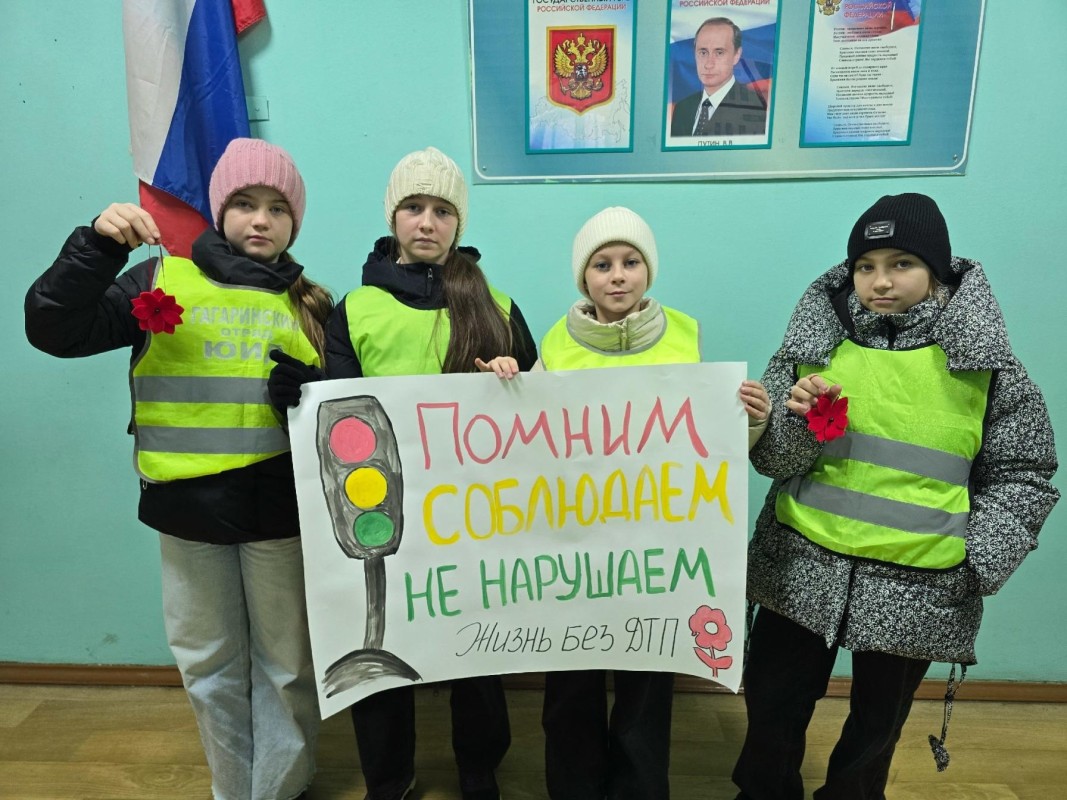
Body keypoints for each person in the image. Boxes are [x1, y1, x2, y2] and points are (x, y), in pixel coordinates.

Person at [24, 138, 333, 800]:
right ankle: (234, 789)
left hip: (281, 514)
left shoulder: (313, 302)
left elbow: (343, 418)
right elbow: (54, 329)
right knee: (209, 664)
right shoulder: (159, 279)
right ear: (218, 211)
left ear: (295, 221)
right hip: (187, 513)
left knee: (287, 665)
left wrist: (312, 393)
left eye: (277, 208)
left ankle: (280, 789)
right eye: (244, 203)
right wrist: (96, 247)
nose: (260, 219)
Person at [731, 193, 1060, 800]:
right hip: (799, 566)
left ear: (938, 271)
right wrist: (790, 424)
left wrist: (978, 560)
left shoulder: (989, 367)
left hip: (920, 584)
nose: (880, 281)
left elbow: (1024, 471)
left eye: (901, 263)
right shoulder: (811, 345)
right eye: (866, 266)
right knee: (773, 707)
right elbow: (774, 461)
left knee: (876, 727)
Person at [269, 146, 535, 800]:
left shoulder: (497, 305)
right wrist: (298, 400)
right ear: (393, 217)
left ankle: (479, 768)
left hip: (475, 517)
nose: (427, 221)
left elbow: (539, 415)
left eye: (442, 210)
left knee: (477, 647)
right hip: (382, 512)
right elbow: (337, 418)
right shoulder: (356, 308)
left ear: (458, 223)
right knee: (381, 646)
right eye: (413, 207)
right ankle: (389, 779)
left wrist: (514, 382)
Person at [478, 206, 770, 800]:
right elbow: (523, 441)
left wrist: (750, 420)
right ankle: (575, 788)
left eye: (630, 262)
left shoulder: (685, 336)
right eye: (602, 264)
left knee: (646, 688)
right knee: (571, 689)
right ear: (583, 277)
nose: (617, 275)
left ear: (648, 270)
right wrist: (507, 381)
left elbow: (710, 446)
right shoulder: (556, 344)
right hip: (573, 556)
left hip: (654, 559)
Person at [670, 17, 767, 138]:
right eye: (703, 52)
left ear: (736, 55)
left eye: (719, 53)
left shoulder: (754, 108)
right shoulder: (682, 108)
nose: (708, 64)